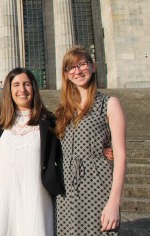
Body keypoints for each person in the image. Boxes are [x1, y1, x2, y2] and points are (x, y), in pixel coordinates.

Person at [54, 45, 126, 235]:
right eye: (71, 67)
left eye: (82, 64)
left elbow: (120, 155)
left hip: (97, 186)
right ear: (66, 74)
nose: (77, 71)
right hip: (65, 192)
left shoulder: (109, 104)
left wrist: (114, 202)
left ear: (93, 67)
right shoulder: (62, 111)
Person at [0, 68, 64, 236]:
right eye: (16, 85)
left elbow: (67, 150)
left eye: (27, 84)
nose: (22, 90)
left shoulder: (49, 122)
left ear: (34, 88)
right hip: (2, 197)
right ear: (8, 90)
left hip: (35, 196)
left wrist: (105, 148)